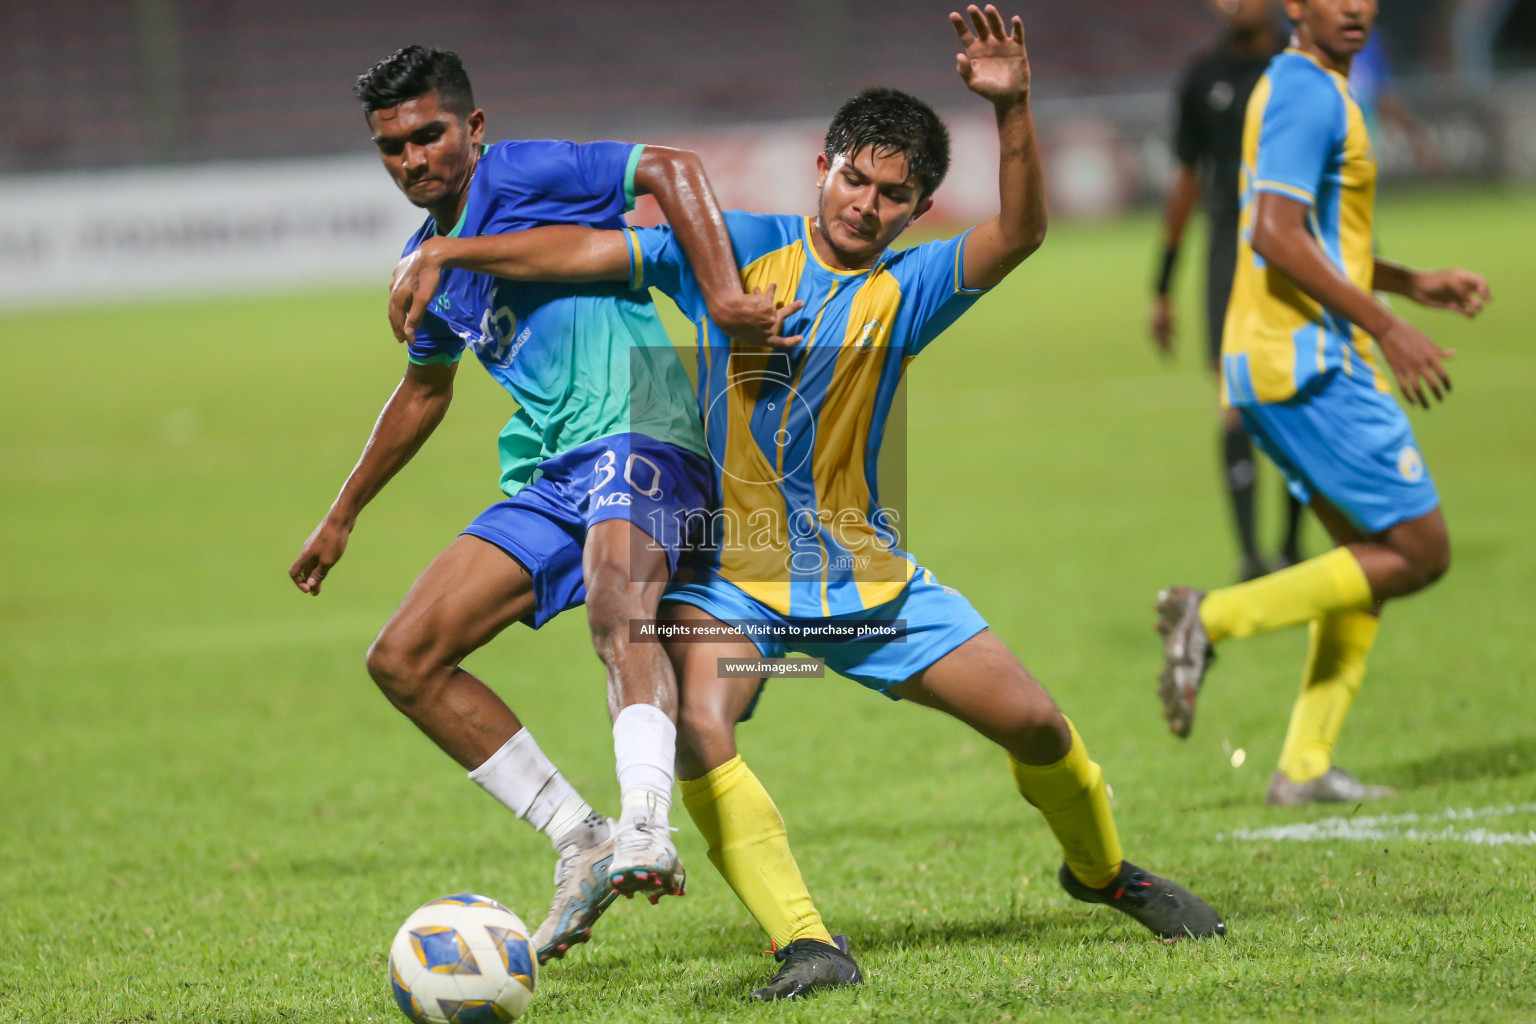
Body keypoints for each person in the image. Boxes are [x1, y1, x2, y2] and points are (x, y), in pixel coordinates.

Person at [391, 5, 1226, 1001]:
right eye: (855, 177)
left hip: (867, 584)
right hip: (733, 586)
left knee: (1039, 726)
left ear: (917, 211)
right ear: (823, 164)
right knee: (702, 727)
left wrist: (1013, 110)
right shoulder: (736, 250)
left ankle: (1103, 873)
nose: (865, 204)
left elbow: (1023, 230)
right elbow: (589, 254)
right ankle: (806, 943)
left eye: (893, 195)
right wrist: (453, 254)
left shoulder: (912, 288)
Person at [288, 45, 790, 962]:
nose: (413, 159)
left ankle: (645, 826)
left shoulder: (522, 175)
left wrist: (721, 296)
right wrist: (343, 513)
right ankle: (583, 837)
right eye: (392, 147)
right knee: (403, 658)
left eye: (429, 134)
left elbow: (671, 168)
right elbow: (426, 390)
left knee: (615, 597)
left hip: (647, 434)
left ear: (473, 129)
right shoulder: (425, 263)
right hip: (555, 475)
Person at [1154, 0, 1490, 806]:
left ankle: (1304, 765)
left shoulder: (1307, 83)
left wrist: (1411, 282)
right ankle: (1211, 617)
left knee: (1362, 567)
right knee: (1422, 551)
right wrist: (1390, 325)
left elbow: (1314, 237)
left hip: (1276, 359)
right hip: (1307, 364)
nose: (1355, 6)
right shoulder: (1307, 90)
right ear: (1293, 6)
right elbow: (1272, 233)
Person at [1151, 0, 1300, 582]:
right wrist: (1162, 285)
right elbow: (1186, 179)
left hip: (1298, 254)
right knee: (1235, 400)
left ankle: (1291, 545)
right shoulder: (1201, 78)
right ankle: (1251, 558)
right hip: (1228, 257)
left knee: (1294, 394)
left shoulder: (1303, 67)